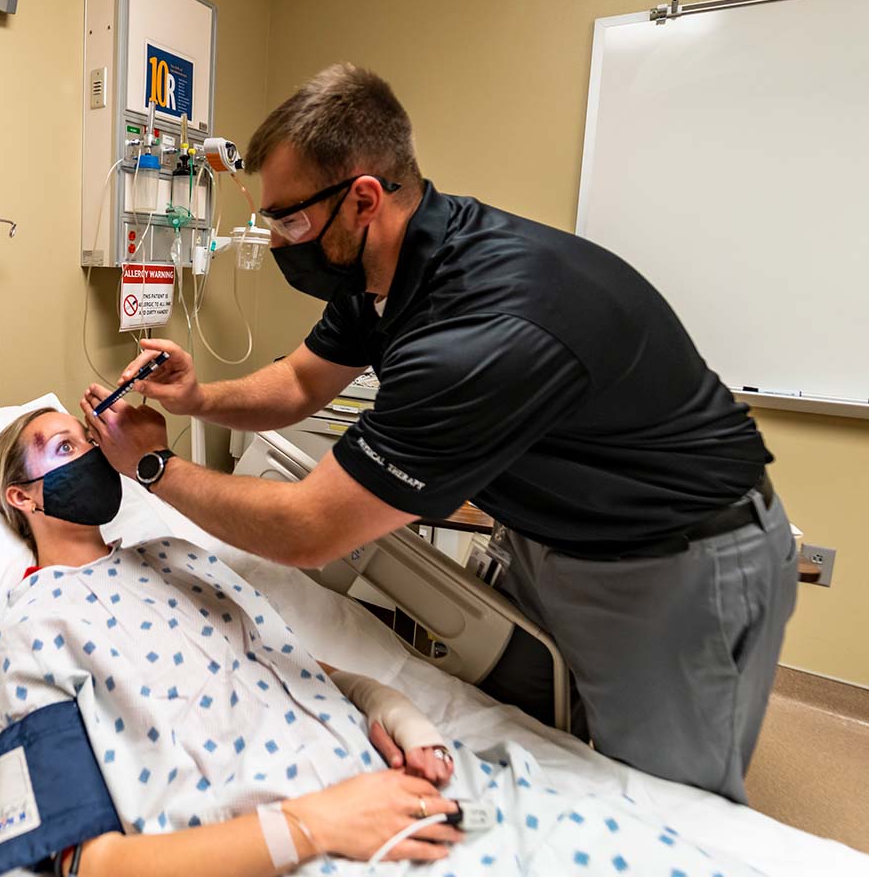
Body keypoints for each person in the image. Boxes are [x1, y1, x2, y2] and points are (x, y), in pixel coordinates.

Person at [81, 63, 797, 805]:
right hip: (554, 532)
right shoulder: (389, 267)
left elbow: (309, 531)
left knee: (665, 799)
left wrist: (155, 466)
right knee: (545, 733)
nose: (277, 241)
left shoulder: (484, 326)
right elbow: (299, 382)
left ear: (362, 198)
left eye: (288, 220)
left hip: (673, 556)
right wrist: (197, 398)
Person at [0, 406, 759, 877]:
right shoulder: (33, 626)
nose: (90, 452)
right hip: (305, 844)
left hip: (411, 792)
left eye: (88, 438)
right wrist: (314, 826)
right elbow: (90, 862)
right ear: (22, 496)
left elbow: (285, 664)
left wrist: (390, 707)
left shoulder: (174, 554)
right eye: (64, 448)